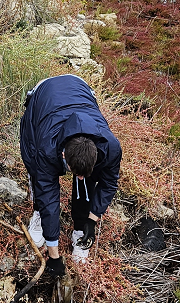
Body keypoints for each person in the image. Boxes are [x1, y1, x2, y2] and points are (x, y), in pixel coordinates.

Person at [20, 74, 122, 275]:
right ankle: (38, 214)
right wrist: (54, 256)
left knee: (87, 178)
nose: (79, 179)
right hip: (44, 97)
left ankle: (80, 229)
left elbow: (109, 184)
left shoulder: (110, 147)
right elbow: (49, 194)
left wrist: (91, 221)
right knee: (36, 168)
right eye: (75, 173)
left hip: (79, 88)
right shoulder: (46, 148)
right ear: (63, 155)